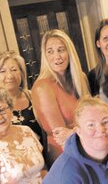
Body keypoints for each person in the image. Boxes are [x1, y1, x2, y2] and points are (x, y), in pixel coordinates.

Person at [31, 30, 90, 160]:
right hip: (65, 156)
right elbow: (60, 136)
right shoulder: (42, 87)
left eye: (61, 50)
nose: (56, 56)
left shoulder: (81, 79)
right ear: (45, 56)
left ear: (70, 52)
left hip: (88, 149)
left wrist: (74, 132)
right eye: (50, 51)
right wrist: (89, 131)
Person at [0, 51, 45, 147]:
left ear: (22, 73)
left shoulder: (35, 96)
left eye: (14, 70)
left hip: (42, 154)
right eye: (2, 71)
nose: (10, 76)